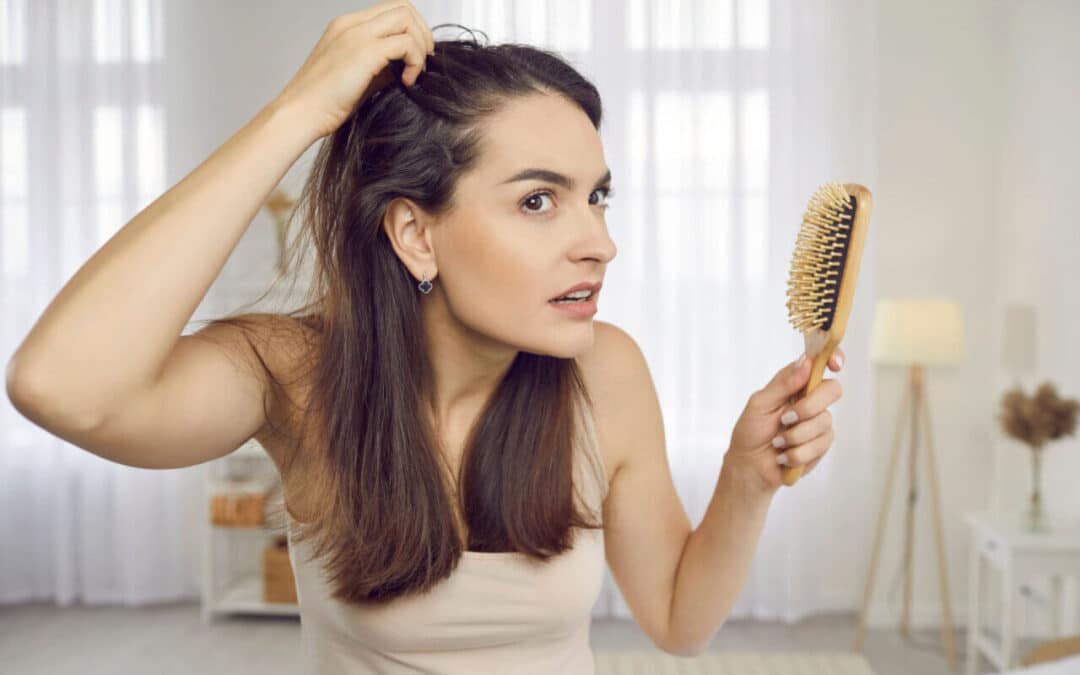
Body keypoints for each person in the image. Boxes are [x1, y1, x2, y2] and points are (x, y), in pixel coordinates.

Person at [5, 1, 844, 672]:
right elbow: (59, 384)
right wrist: (296, 113)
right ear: (415, 233)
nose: (599, 241)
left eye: (598, 197)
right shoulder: (294, 373)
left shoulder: (604, 370)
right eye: (539, 200)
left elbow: (677, 622)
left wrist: (744, 477)